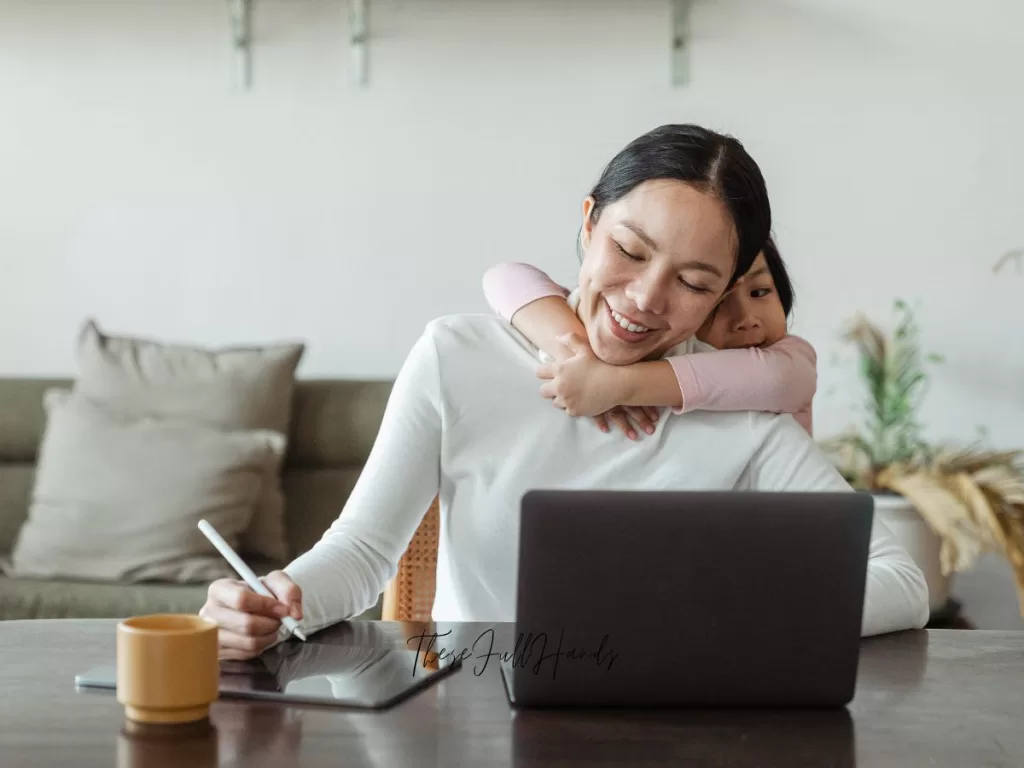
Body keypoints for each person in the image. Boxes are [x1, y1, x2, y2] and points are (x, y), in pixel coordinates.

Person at [200, 123, 929, 660]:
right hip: (474, 724)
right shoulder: (458, 357)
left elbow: (901, 581)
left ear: (724, 295)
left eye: (694, 282)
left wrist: (738, 615)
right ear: (587, 224)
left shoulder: (740, 412)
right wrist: (271, 599)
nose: (645, 299)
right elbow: (361, 554)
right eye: (630, 251)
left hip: (675, 731)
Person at [481, 235, 817, 438]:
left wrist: (615, 384)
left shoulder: (790, 358)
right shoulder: (646, 342)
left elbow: (777, 380)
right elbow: (505, 277)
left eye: (761, 292)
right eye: (718, 303)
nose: (746, 319)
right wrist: (578, 355)